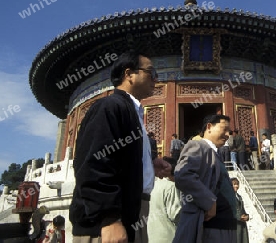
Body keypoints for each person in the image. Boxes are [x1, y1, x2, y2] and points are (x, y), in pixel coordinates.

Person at [69, 51, 171, 243]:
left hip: (132, 212)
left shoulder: (133, 112)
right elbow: (94, 162)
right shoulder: (110, 106)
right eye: (151, 72)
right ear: (129, 74)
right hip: (105, 223)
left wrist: (147, 165)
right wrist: (109, 218)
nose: (156, 78)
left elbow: (119, 157)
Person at [173, 114, 237, 243]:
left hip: (225, 225)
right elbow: (183, 175)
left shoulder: (215, 153)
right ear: (209, 127)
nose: (227, 134)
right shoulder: (198, 146)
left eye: (228, 131)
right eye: (224, 129)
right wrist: (209, 200)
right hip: (211, 227)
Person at [147, 157, 182, 243]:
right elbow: (176, 214)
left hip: (150, 237)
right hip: (167, 238)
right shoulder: (171, 186)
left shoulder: (150, 184)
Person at [230, 178, 249, 243]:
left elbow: (242, 210)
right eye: (234, 184)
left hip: (242, 224)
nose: (236, 186)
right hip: (235, 225)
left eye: (237, 184)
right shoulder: (229, 197)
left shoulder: (239, 197)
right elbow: (229, 211)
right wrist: (238, 217)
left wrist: (247, 216)